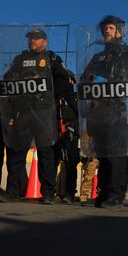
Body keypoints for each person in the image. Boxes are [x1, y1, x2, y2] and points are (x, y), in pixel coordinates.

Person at [0, 28, 71, 203]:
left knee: (46, 152)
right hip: (23, 111)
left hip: (44, 112)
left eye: (37, 39)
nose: (33, 42)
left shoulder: (51, 58)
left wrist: (49, 94)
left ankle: (48, 193)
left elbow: (64, 82)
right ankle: (12, 191)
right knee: (16, 153)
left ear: (44, 41)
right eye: (31, 38)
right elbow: (8, 79)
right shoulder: (20, 59)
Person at [79, 15, 128, 207]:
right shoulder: (97, 57)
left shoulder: (127, 53)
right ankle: (104, 192)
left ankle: (115, 194)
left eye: (111, 28)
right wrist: (89, 81)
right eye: (105, 28)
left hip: (115, 109)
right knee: (103, 154)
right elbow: (85, 78)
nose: (107, 31)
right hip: (98, 110)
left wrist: (109, 81)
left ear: (120, 32)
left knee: (116, 154)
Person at [54, 70, 79, 203]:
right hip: (55, 132)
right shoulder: (55, 96)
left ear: (71, 81)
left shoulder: (75, 96)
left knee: (70, 165)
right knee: (51, 162)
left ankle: (69, 193)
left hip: (70, 134)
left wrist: (75, 129)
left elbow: (82, 115)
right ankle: (49, 192)